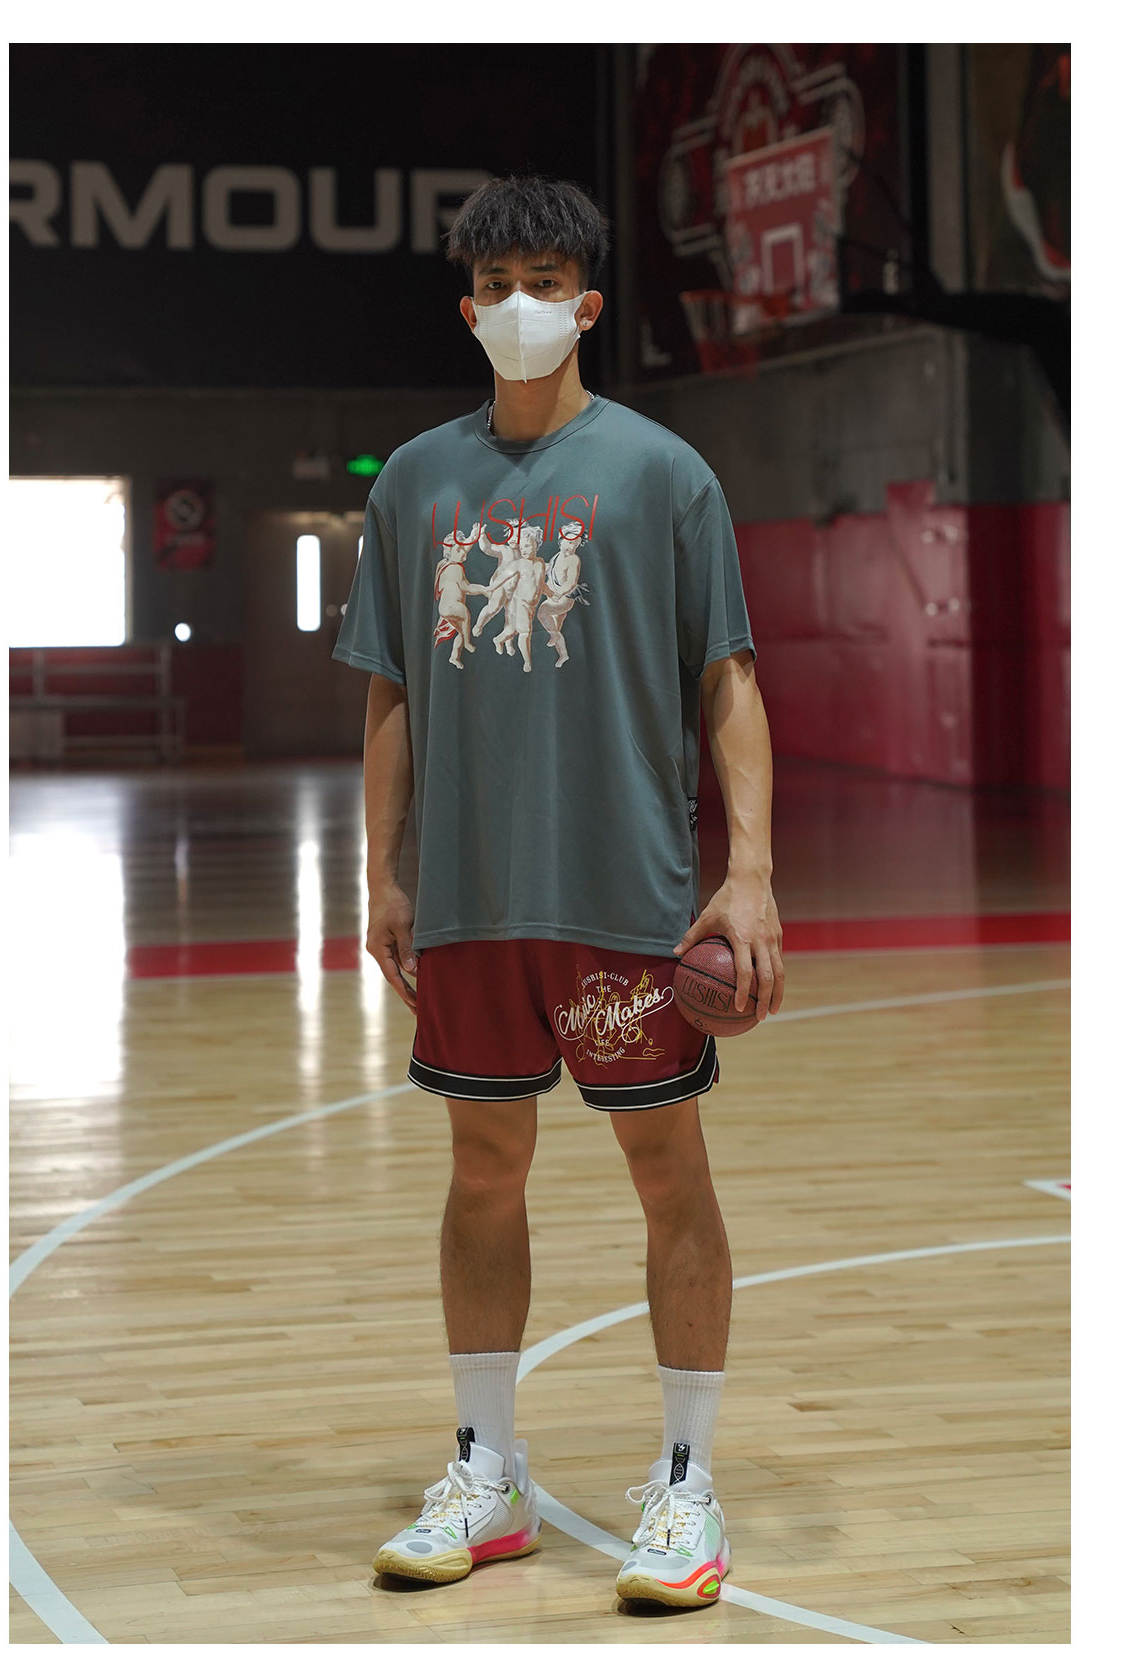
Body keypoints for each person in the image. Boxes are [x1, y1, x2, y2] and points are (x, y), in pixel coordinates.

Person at [332, 174, 784, 1609]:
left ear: (586, 303)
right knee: (482, 1171)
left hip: (625, 899)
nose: (517, 304)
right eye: (493, 283)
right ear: (465, 307)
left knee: (669, 1173)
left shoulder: (664, 474)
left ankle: (688, 1483)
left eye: (543, 280)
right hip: (472, 898)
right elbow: (391, 691)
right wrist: (380, 869)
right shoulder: (412, 481)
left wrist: (750, 875)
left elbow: (729, 681)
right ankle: (489, 1470)